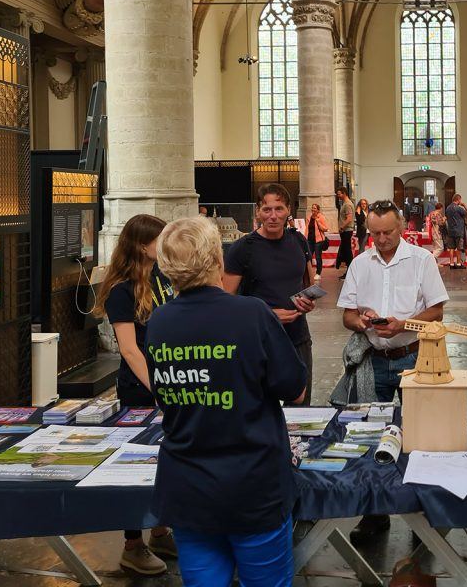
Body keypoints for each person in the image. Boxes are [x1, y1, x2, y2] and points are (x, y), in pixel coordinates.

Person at [147, 216, 307, 587]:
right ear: (217, 259)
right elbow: (295, 388)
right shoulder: (251, 313)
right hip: (252, 485)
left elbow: (165, 393)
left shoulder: (160, 322)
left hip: (189, 485)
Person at [337, 200, 449, 544]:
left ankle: (422, 514)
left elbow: (437, 311)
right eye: (375, 233)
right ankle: (375, 514)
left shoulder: (421, 260)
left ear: (401, 228)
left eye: (387, 232)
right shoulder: (360, 263)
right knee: (373, 436)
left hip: (413, 357)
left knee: (419, 436)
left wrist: (404, 324)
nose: (381, 239)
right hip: (373, 359)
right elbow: (347, 316)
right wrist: (363, 320)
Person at [94, 214, 176, 576]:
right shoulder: (121, 289)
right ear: (142, 245)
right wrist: (157, 390)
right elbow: (129, 349)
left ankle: (160, 531)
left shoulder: (161, 276)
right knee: (136, 466)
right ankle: (132, 545)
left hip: (169, 382)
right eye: (160, 239)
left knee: (167, 461)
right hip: (141, 388)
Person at [223, 184, 317, 404]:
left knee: (302, 407)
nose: (273, 216)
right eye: (267, 210)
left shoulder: (299, 241)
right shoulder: (243, 248)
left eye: (279, 209)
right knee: (260, 406)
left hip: (297, 337)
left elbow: (308, 284)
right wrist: (268, 314)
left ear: (288, 211)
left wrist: (307, 302)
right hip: (258, 340)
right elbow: (225, 302)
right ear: (258, 211)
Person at [445, 194, 467, 270]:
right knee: (459, 248)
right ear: (458, 199)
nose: (461, 201)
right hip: (459, 231)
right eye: (460, 200)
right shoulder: (459, 208)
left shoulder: (448, 208)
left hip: (450, 231)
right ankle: (459, 264)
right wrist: (464, 205)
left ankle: (451, 264)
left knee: (451, 248)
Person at [306, 203, 328, 281]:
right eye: (312, 208)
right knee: (309, 257)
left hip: (318, 241)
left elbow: (326, 228)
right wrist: (305, 238)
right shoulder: (309, 217)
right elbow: (307, 229)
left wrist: (318, 222)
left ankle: (318, 273)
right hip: (310, 240)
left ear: (318, 210)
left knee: (318, 257)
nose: (313, 209)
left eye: (315, 208)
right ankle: (309, 273)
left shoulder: (321, 217)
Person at [335, 187, 355, 278]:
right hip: (345, 231)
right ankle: (349, 271)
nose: (337, 196)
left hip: (346, 231)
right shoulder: (346, 204)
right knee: (346, 251)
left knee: (347, 252)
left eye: (339, 194)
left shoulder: (347, 204)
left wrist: (342, 227)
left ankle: (350, 272)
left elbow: (349, 218)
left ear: (344, 193)